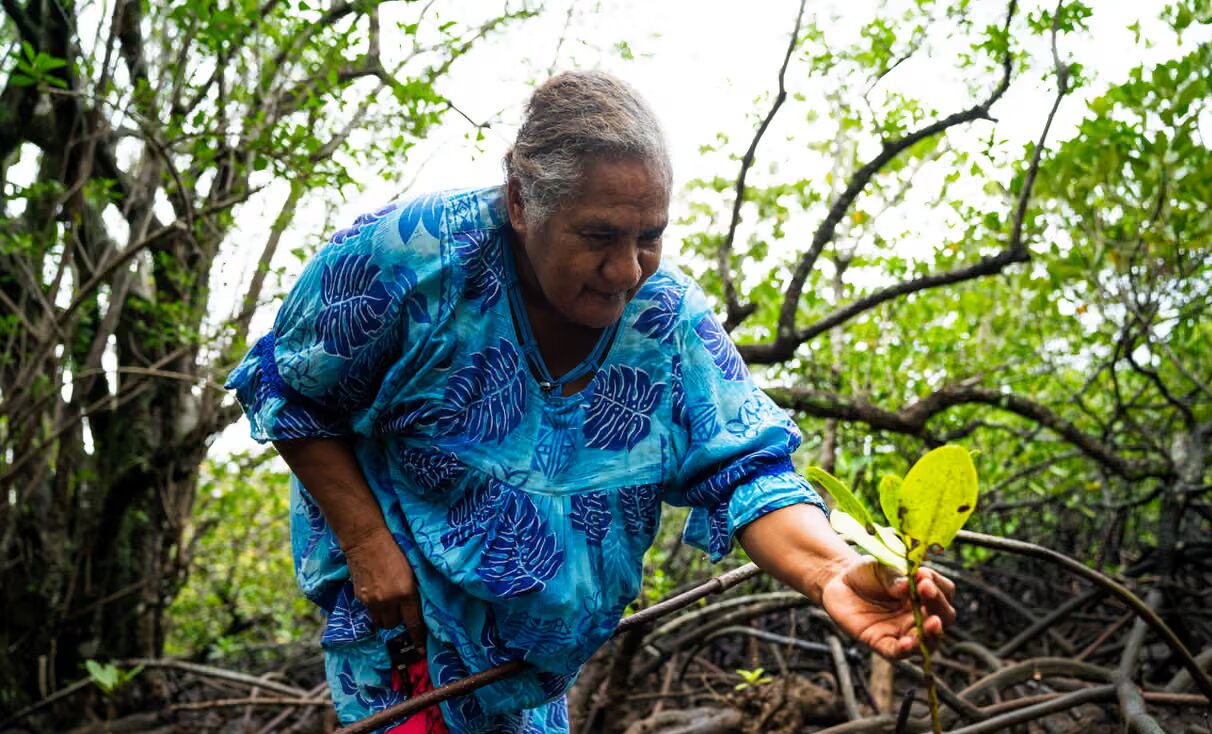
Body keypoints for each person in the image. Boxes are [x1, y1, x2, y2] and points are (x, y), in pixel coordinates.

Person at [227, 70, 956, 733]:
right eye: (599, 237)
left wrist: (830, 572)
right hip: (404, 625)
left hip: (533, 659)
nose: (626, 269)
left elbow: (747, 471)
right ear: (520, 202)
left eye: (650, 236)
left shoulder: (667, 324)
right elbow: (290, 389)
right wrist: (365, 545)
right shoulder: (409, 259)